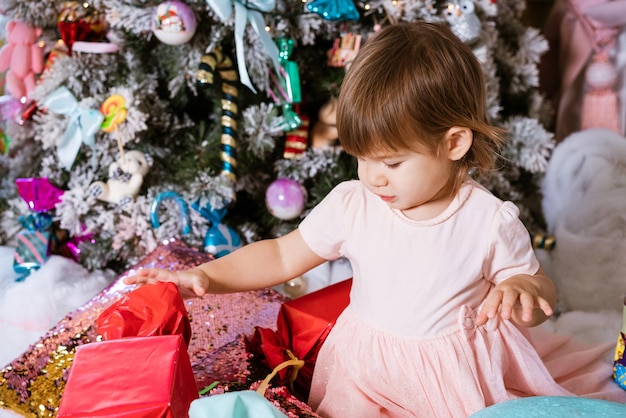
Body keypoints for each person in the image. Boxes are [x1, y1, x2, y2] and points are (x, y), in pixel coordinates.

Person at [124, 22, 626, 417]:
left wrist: (525, 293)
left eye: (391, 163)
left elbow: (535, 287)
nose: (375, 179)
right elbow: (282, 252)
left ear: (454, 144)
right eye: (362, 159)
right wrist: (209, 275)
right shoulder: (353, 202)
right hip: (364, 368)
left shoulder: (486, 220)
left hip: (452, 377)